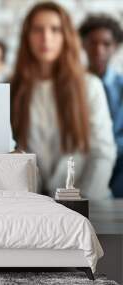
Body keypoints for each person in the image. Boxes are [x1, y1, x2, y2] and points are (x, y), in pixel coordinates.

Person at [11, 2, 116, 199]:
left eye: (55, 30)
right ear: (27, 37)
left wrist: (81, 204)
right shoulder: (13, 88)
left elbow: (102, 153)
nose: (46, 38)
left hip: (87, 202)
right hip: (31, 205)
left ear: (66, 36)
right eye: (37, 30)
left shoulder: (89, 86)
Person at [79, 14, 123, 198]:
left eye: (106, 44)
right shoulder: (74, 87)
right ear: (83, 44)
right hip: (82, 168)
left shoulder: (121, 87)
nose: (99, 50)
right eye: (93, 43)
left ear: (116, 47)